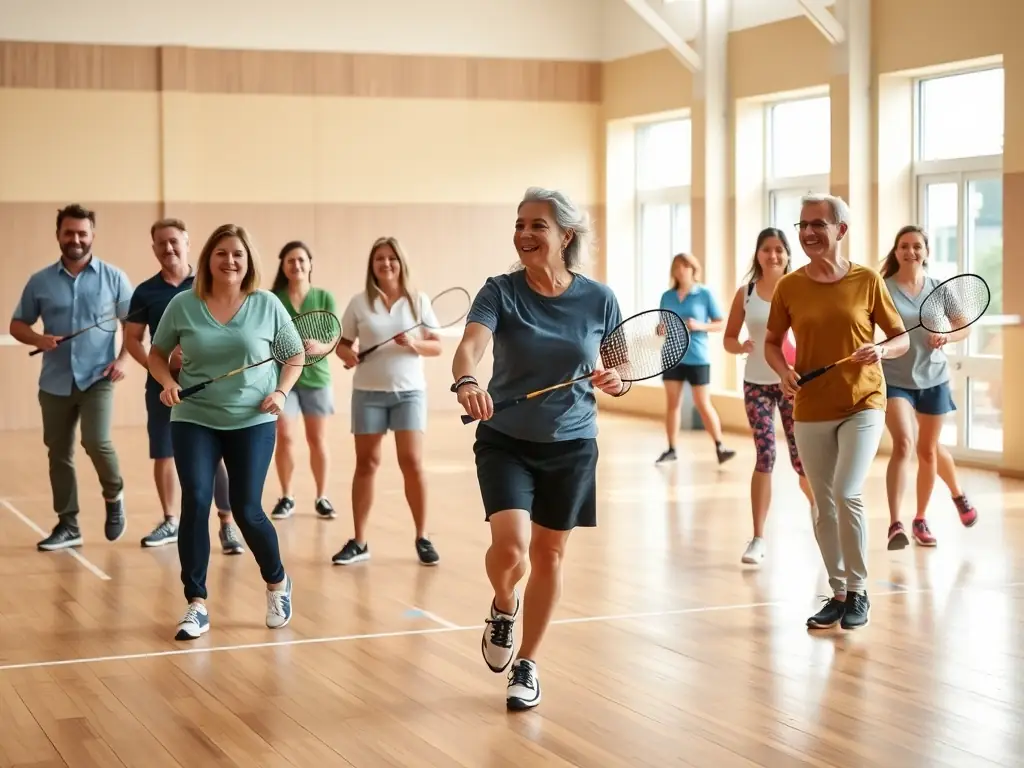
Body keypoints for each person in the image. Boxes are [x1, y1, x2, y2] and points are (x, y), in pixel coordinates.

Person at [452, 186, 629, 711]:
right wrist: (466, 381)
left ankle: (527, 662)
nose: (525, 235)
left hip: (572, 444)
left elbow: (619, 368)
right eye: (520, 224)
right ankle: (504, 605)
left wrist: (613, 379)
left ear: (565, 236)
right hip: (505, 438)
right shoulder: (500, 291)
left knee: (549, 555)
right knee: (510, 550)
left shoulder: (599, 298)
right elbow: (472, 343)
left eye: (538, 226)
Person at [764, 193, 909, 631]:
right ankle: (839, 590)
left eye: (817, 225)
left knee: (846, 491)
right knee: (823, 503)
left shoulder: (867, 280)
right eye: (802, 225)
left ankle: (860, 590)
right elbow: (771, 342)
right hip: (810, 405)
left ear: (840, 230)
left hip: (863, 401)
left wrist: (880, 350)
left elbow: (900, 337)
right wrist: (783, 370)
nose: (808, 233)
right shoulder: (790, 286)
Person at [148, 223, 297, 641]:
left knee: (247, 509)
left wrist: (282, 393)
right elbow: (157, 355)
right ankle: (195, 603)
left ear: (247, 261)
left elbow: (294, 354)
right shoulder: (183, 305)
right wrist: (168, 382)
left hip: (253, 419)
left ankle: (277, 583)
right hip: (194, 416)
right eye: (222, 253)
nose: (230, 261)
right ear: (208, 260)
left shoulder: (267, 304)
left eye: (237, 254)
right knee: (195, 500)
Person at [9, 204, 132, 552]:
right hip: (55, 381)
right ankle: (68, 524)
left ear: (92, 235)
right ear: (59, 236)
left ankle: (114, 494)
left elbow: (134, 326)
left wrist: (123, 359)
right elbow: (17, 324)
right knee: (58, 453)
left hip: (99, 378)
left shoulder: (115, 278)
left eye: (82, 233)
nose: (76, 239)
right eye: (69, 233)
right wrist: (38, 339)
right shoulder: (40, 281)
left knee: (96, 441)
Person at [123, 218, 244, 553]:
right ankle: (169, 520)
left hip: (206, 386)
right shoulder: (145, 292)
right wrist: (158, 367)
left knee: (216, 454)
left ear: (188, 244)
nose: (168, 248)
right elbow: (133, 339)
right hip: (163, 387)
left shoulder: (208, 282)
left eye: (174, 241)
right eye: (161, 243)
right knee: (164, 452)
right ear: (154, 249)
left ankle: (227, 523)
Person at [331, 237, 441, 567]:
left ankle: (422, 537)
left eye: (391, 258)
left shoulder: (417, 301)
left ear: (400, 262)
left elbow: (436, 346)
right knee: (367, 464)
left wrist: (412, 344)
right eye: (379, 258)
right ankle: (360, 540)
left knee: (412, 462)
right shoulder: (359, 302)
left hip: (409, 393)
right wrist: (348, 355)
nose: (386, 263)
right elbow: (343, 345)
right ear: (372, 265)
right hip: (368, 394)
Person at [878, 225, 978, 549]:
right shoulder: (883, 288)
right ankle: (895, 523)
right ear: (896, 252)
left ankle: (924, 516)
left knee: (928, 449)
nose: (910, 251)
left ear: (926, 252)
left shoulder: (939, 289)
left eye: (917, 246)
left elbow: (964, 326)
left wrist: (947, 335)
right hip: (895, 379)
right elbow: (864, 325)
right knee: (905, 444)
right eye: (904, 246)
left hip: (934, 377)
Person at [723, 227, 815, 565]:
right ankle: (758, 537)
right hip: (756, 385)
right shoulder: (745, 294)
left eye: (779, 250)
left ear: (788, 254)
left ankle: (823, 521)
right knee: (765, 456)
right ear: (758, 255)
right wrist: (741, 346)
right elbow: (729, 339)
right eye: (767, 250)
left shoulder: (801, 289)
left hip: (793, 384)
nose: (773, 256)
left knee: (800, 458)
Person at [268, 241, 339, 521]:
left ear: (310, 263)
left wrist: (320, 348)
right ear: (283, 266)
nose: (296, 265)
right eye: (290, 261)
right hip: (284, 379)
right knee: (284, 437)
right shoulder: (274, 298)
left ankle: (322, 497)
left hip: (317, 379)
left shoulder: (324, 297)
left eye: (301, 260)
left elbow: (333, 336)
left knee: (316, 439)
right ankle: (287, 496)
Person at [656, 253, 735, 465]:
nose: (680, 270)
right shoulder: (667, 296)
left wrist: (699, 326)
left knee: (702, 403)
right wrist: (660, 329)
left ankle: (720, 446)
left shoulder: (705, 294)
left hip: (698, 357)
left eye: (684, 266)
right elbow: (660, 326)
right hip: (672, 356)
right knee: (673, 404)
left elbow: (720, 323)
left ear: (693, 268)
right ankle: (671, 449)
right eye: (676, 266)